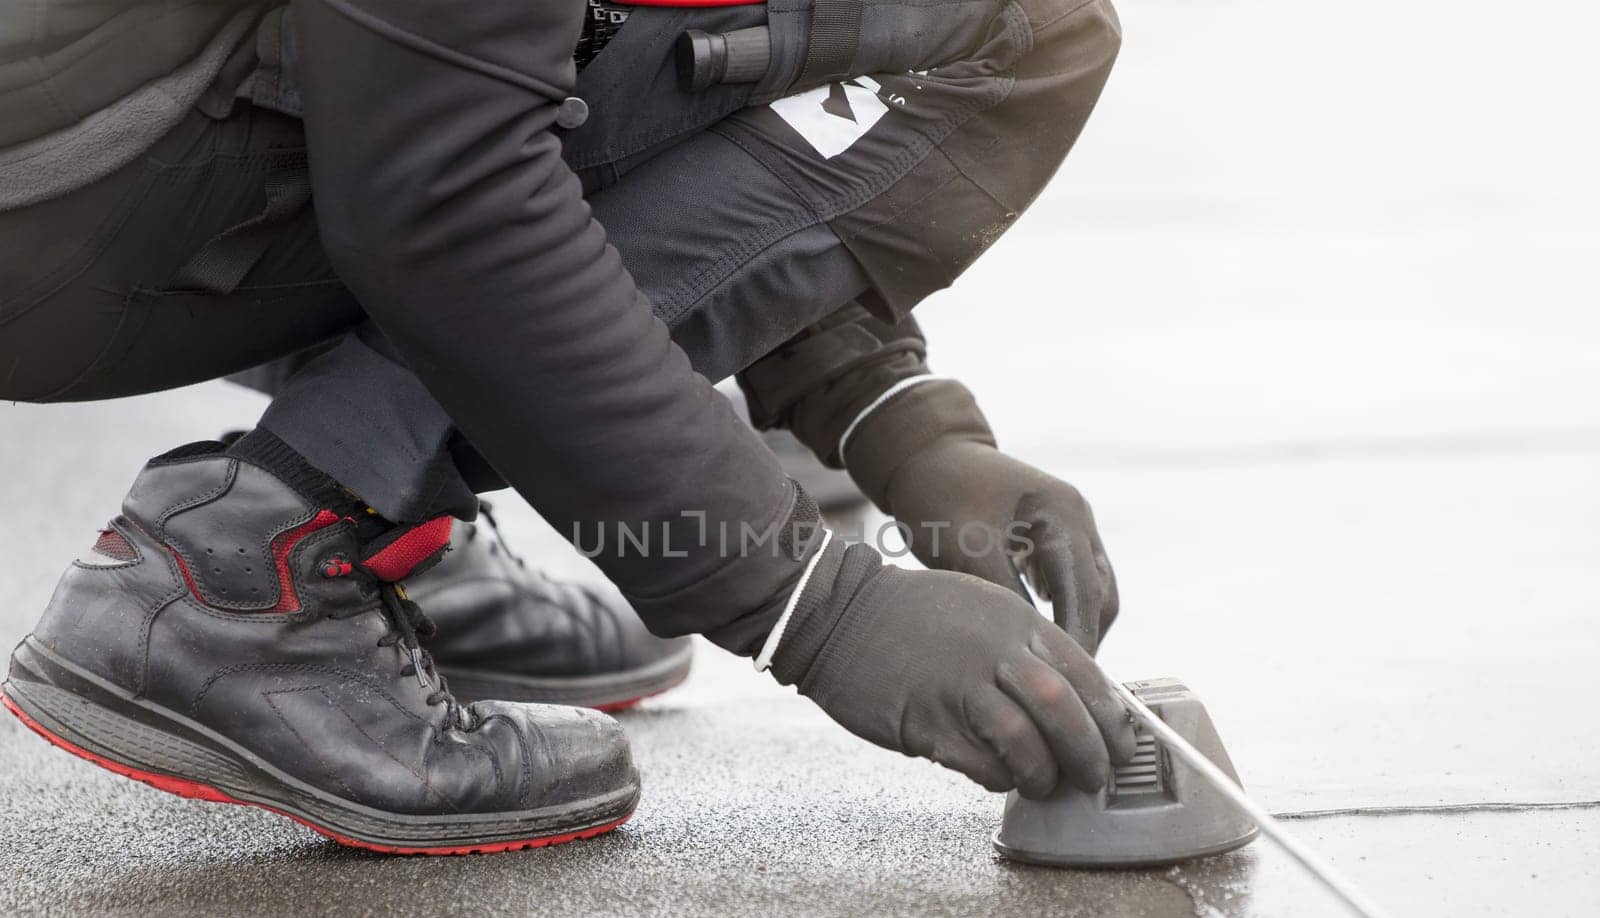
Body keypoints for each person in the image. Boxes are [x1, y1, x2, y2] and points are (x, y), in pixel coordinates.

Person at [0, 0, 1132, 854]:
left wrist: (892, 417)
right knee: (1022, 31)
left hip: (90, 161)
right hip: (57, 200)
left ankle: (392, 513)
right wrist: (814, 608)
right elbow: (447, 193)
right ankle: (265, 559)